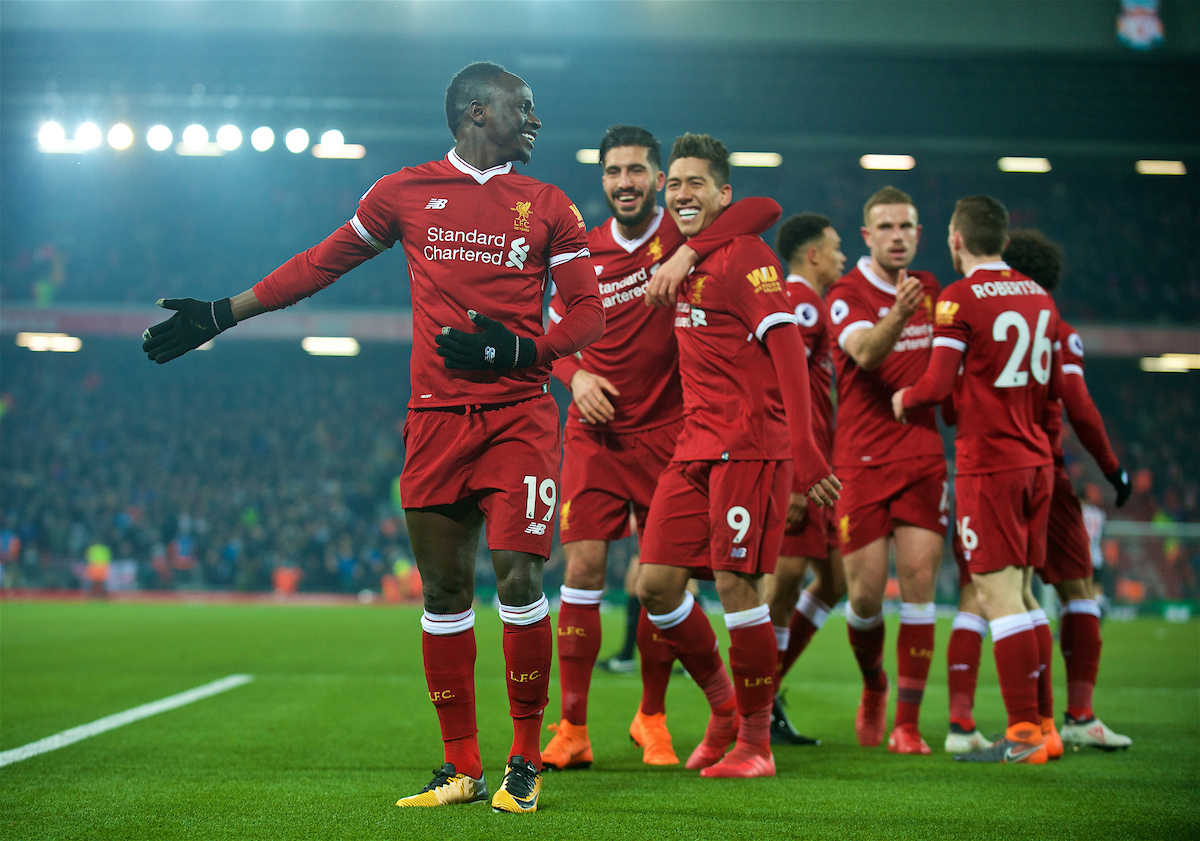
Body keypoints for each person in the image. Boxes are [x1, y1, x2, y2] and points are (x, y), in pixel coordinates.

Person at [142, 62, 605, 813]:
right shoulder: (403, 193)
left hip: (519, 415)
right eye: (525, 107)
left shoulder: (549, 204)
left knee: (520, 580)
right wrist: (224, 314)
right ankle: (462, 767)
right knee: (444, 591)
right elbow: (322, 263)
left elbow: (589, 315)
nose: (537, 119)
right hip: (433, 419)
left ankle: (525, 758)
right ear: (477, 112)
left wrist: (525, 351)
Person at [541, 125, 782, 772]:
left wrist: (683, 254)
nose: (627, 182)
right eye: (615, 171)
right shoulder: (580, 249)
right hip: (594, 434)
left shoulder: (682, 234)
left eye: (639, 171)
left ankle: (652, 716)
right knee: (583, 570)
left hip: (673, 432)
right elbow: (548, 331)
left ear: (656, 179)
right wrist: (575, 376)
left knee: (658, 577)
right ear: (602, 180)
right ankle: (572, 726)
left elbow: (760, 209)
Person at [635, 133, 840, 779]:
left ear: (724, 193)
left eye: (699, 183)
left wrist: (805, 448)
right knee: (656, 585)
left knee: (736, 585)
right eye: (676, 184)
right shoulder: (679, 253)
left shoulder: (745, 255)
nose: (683, 194)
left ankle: (756, 743)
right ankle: (725, 708)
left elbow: (786, 350)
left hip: (750, 446)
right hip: (693, 446)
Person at [894, 195, 1063, 764]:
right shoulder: (1038, 294)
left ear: (956, 240)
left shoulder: (960, 297)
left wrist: (905, 396)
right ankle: (1045, 724)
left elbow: (938, 385)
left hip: (989, 463)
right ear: (1005, 241)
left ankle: (1021, 735)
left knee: (995, 595)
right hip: (1036, 460)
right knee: (1021, 593)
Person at [825, 186, 946, 754]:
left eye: (908, 226)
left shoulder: (936, 293)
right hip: (862, 459)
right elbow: (868, 355)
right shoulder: (846, 294)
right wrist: (899, 312)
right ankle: (875, 685)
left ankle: (907, 722)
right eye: (887, 227)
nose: (899, 236)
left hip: (922, 456)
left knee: (920, 585)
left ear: (919, 233)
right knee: (867, 598)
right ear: (867, 237)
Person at [764, 213, 847, 746]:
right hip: (799, 471)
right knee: (786, 581)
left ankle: (766, 687)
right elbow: (779, 384)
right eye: (836, 248)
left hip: (817, 468)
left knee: (832, 582)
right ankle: (756, 696)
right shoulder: (800, 301)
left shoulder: (806, 303)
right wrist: (795, 477)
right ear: (812, 254)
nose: (843, 257)